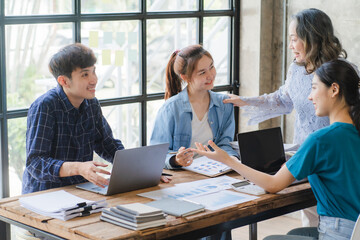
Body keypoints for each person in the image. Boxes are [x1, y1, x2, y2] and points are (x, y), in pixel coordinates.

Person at [193, 60, 360, 240]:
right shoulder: (352, 133)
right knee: (295, 234)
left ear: (334, 90)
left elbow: (273, 185)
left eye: (313, 88)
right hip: (354, 230)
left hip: (336, 234)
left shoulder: (320, 139)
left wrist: (229, 160)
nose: (310, 97)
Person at [223, 8, 359, 227]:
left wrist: (227, 160)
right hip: (305, 160)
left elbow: (274, 185)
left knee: (331, 220)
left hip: (331, 163)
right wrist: (247, 101)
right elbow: (283, 98)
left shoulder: (341, 73)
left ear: (311, 38)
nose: (290, 45)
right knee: (314, 221)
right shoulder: (296, 70)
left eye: (294, 39)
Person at [150, 44, 239, 171]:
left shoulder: (224, 104)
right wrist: (176, 160)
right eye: (202, 72)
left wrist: (233, 160)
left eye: (211, 67)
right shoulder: (170, 109)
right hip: (182, 176)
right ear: (185, 77)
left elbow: (224, 144)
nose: (211, 75)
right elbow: (155, 154)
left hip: (215, 172)